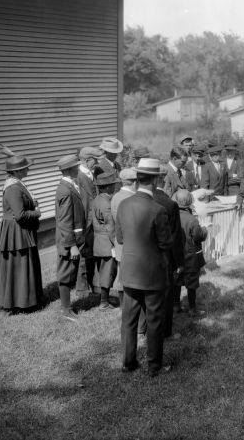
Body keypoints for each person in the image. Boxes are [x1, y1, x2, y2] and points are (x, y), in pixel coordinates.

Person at [116, 158, 173, 376]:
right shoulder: (157, 210)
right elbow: (165, 243)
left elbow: (120, 239)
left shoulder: (123, 204)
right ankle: (154, 366)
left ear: (138, 179)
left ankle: (128, 362)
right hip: (152, 273)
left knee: (128, 320)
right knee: (154, 320)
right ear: (156, 180)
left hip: (130, 272)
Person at [0, 154, 44, 312]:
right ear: (17, 171)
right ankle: (20, 302)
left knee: (21, 266)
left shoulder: (18, 184)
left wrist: (32, 203)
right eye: (25, 168)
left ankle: (26, 299)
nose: (28, 169)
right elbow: (20, 215)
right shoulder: (13, 188)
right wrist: (36, 213)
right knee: (19, 266)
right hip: (16, 232)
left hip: (19, 231)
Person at [153, 165, 185, 337]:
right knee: (166, 296)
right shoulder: (170, 204)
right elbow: (175, 237)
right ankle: (166, 332)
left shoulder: (135, 200)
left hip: (144, 258)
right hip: (165, 258)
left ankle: (145, 328)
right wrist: (179, 262)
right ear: (163, 179)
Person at [55, 154, 87, 322]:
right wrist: (72, 245)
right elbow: (65, 220)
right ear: (68, 169)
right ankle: (66, 310)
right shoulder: (66, 190)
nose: (78, 168)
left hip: (73, 237)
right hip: (68, 240)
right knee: (65, 274)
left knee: (69, 272)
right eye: (76, 166)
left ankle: (67, 308)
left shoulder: (69, 185)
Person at [173, 190, 209, 317]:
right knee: (192, 283)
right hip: (190, 256)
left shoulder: (171, 216)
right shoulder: (192, 219)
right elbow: (198, 237)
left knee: (176, 281)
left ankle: (176, 306)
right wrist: (205, 229)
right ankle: (192, 308)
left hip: (176, 256)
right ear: (189, 202)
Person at [90, 172, 119, 310]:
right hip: (107, 243)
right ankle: (104, 302)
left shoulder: (97, 199)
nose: (115, 186)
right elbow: (111, 227)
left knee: (104, 272)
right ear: (107, 187)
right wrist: (117, 243)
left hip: (100, 242)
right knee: (108, 273)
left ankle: (104, 300)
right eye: (113, 184)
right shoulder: (106, 204)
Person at [110, 168, 138, 308]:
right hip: (130, 241)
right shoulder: (130, 198)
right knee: (130, 274)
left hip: (120, 240)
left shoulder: (116, 196)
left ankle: (123, 304)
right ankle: (128, 304)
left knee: (122, 271)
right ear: (133, 183)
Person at [76, 146, 102, 295]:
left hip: (93, 222)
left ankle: (91, 285)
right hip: (84, 222)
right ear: (87, 160)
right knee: (83, 256)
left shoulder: (91, 174)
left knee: (91, 254)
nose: (97, 163)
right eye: (95, 160)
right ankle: (81, 288)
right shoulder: (78, 177)